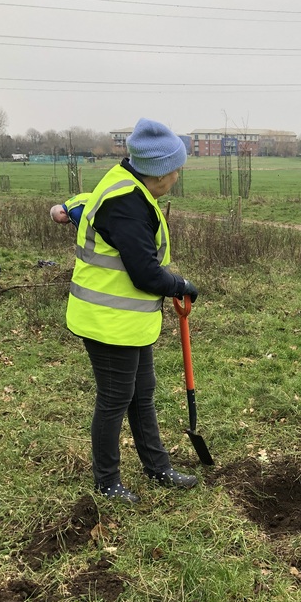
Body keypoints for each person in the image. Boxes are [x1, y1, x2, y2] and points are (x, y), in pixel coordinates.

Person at [65, 118, 200, 503]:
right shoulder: (126, 202)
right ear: (158, 172)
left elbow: (89, 208)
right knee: (114, 400)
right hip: (106, 321)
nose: (177, 176)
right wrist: (179, 284)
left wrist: (66, 207)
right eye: (175, 169)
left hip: (128, 321)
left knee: (142, 394)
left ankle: (157, 467)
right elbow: (143, 272)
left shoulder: (131, 188)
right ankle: (107, 483)